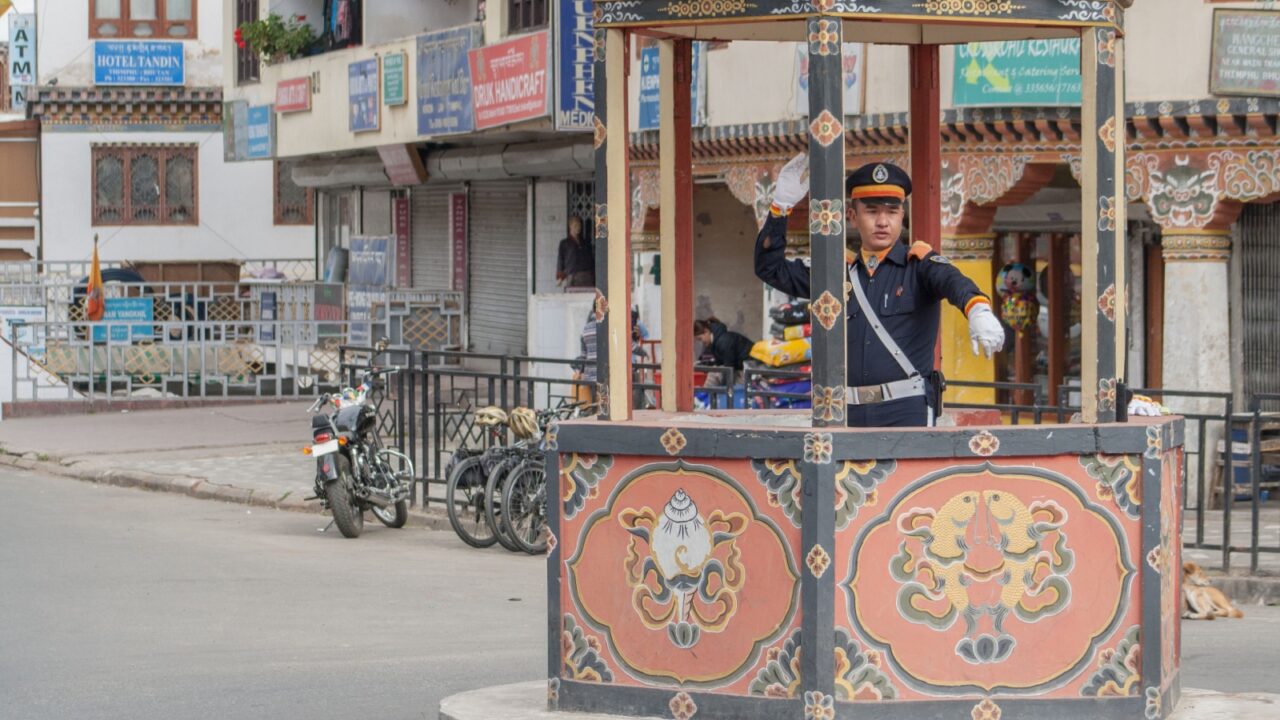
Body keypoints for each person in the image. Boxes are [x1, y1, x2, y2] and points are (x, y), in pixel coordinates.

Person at [753, 154, 1006, 428]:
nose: (883, 221)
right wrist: (780, 207)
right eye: (872, 211)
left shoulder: (918, 266)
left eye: (892, 211)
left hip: (906, 410)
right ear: (852, 216)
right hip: (845, 411)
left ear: (902, 215)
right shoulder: (835, 274)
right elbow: (770, 269)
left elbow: (952, 281)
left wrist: (977, 308)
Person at [557, 216, 594, 289]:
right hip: (572, 275)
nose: (578, 228)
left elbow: (590, 259)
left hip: (587, 276)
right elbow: (560, 260)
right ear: (570, 226)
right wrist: (560, 277)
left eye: (579, 226)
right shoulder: (565, 243)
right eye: (575, 226)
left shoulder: (585, 242)